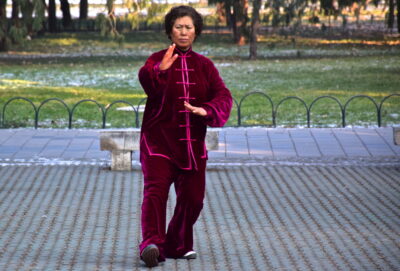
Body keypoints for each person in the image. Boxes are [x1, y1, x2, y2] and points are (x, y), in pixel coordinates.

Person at [138, 5, 232, 268]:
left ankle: (177, 244)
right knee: (155, 195)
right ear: (170, 30)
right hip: (158, 143)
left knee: (193, 200)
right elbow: (146, 79)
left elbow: (223, 95)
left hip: (192, 147)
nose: (183, 32)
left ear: (196, 32)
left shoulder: (204, 65)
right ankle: (152, 245)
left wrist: (208, 109)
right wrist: (160, 71)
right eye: (178, 27)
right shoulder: (157, 59)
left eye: (188, 27)